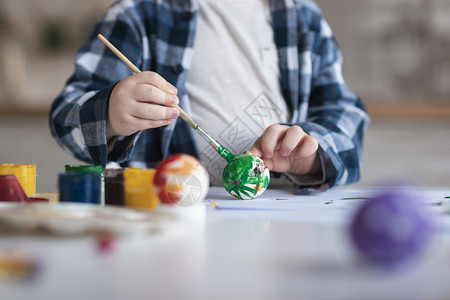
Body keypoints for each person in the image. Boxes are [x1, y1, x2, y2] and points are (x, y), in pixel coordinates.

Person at [50, 0, 369, 193]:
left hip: (274, 215)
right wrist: (108, 114)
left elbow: (344, 114)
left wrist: (312, 156)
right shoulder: (139, 12)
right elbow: (66, 118)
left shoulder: (303, 17)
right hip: (166, 219)